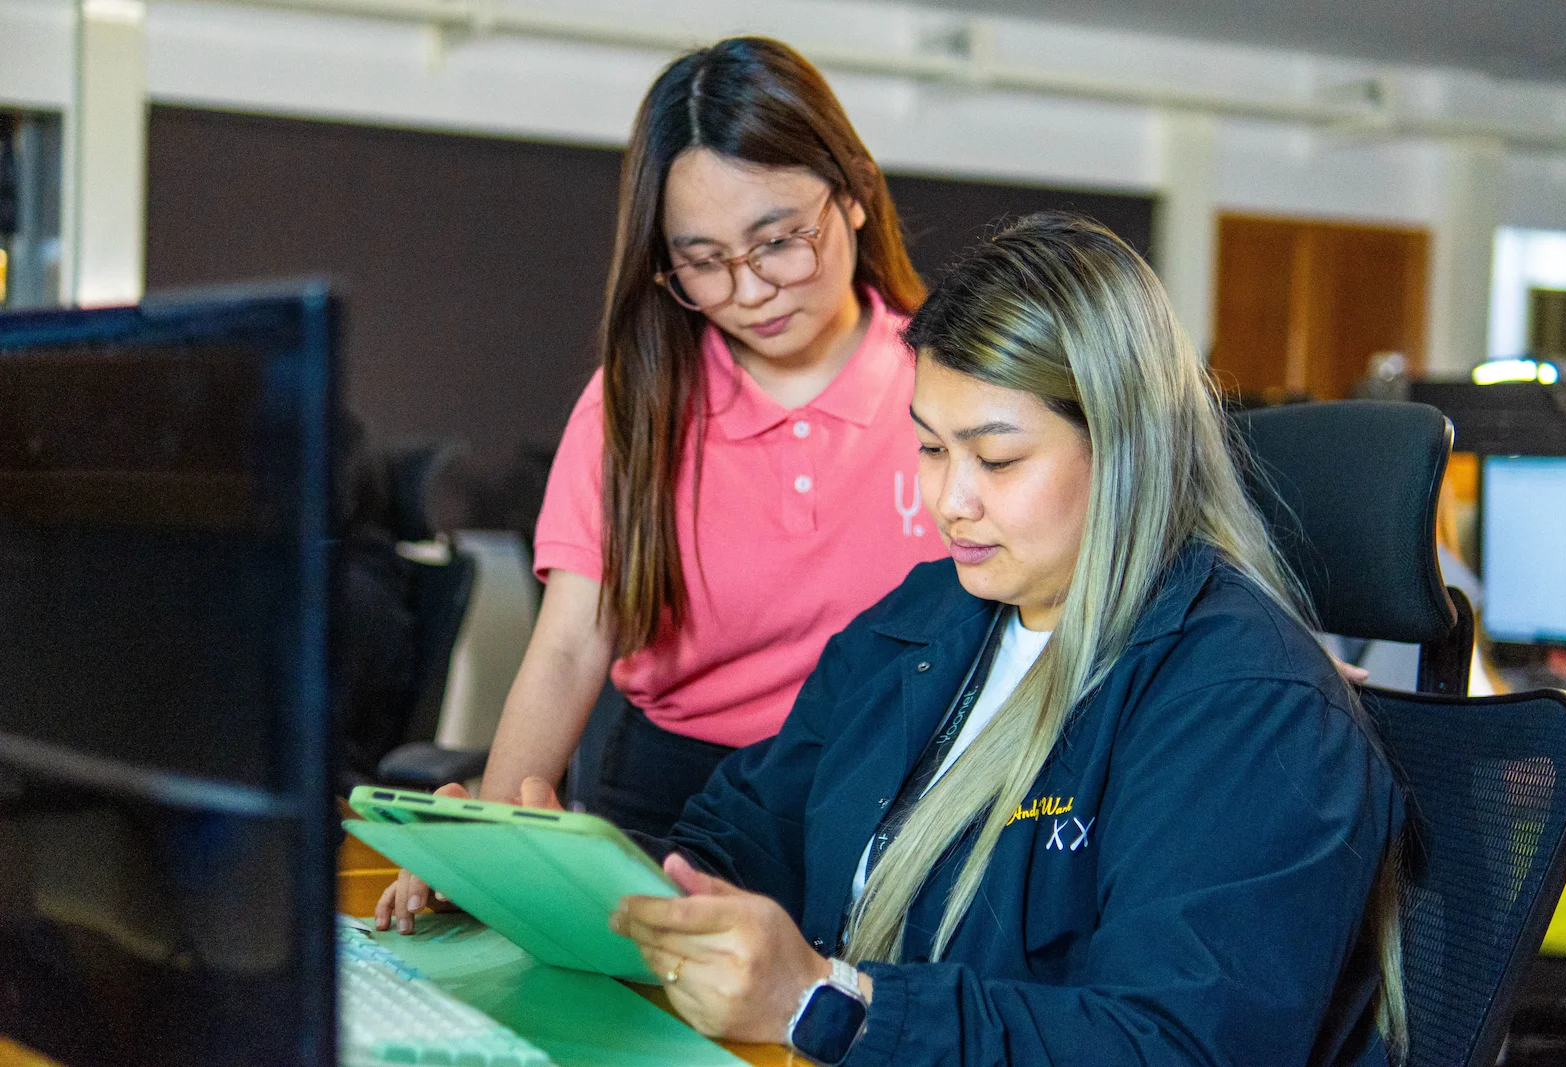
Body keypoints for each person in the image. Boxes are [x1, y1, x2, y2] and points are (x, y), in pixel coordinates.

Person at [595, 214, 1408, 1066]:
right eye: (930, 447)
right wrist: (565, 880)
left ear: (1130, 448)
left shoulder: (1247, 706)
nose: (951, 499)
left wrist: (832, 1006)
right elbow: (747, 831)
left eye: (999, 458)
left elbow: (1173, 1044)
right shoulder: (922, 620)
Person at [375, 36, 945, 931]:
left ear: (857, 195)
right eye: (704, 261)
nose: (749, 289)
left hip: (893, 807)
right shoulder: (632, 406)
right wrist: (490, 842)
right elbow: (567, 650)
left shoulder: (949, 390)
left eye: (779, 241)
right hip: (672, 813)